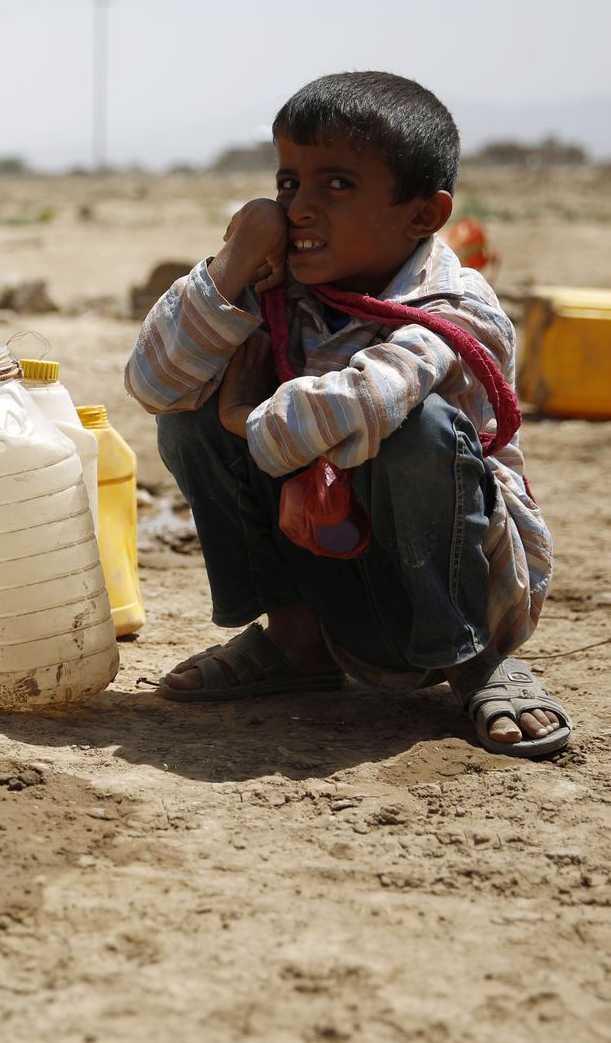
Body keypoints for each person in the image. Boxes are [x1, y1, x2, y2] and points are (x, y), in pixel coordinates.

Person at [126, 71, 568, 756]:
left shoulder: (457, 309)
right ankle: (297, 643)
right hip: (337, 579)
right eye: (287, 184)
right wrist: (235, 259)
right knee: (190, 414)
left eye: (336, 185)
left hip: (453, 588)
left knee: (416, 427)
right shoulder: (286, 292)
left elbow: (365, 402)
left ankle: (474, 661)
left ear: (424, 215)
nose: (298, 208)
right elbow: (155, 384)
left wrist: (246, 416)